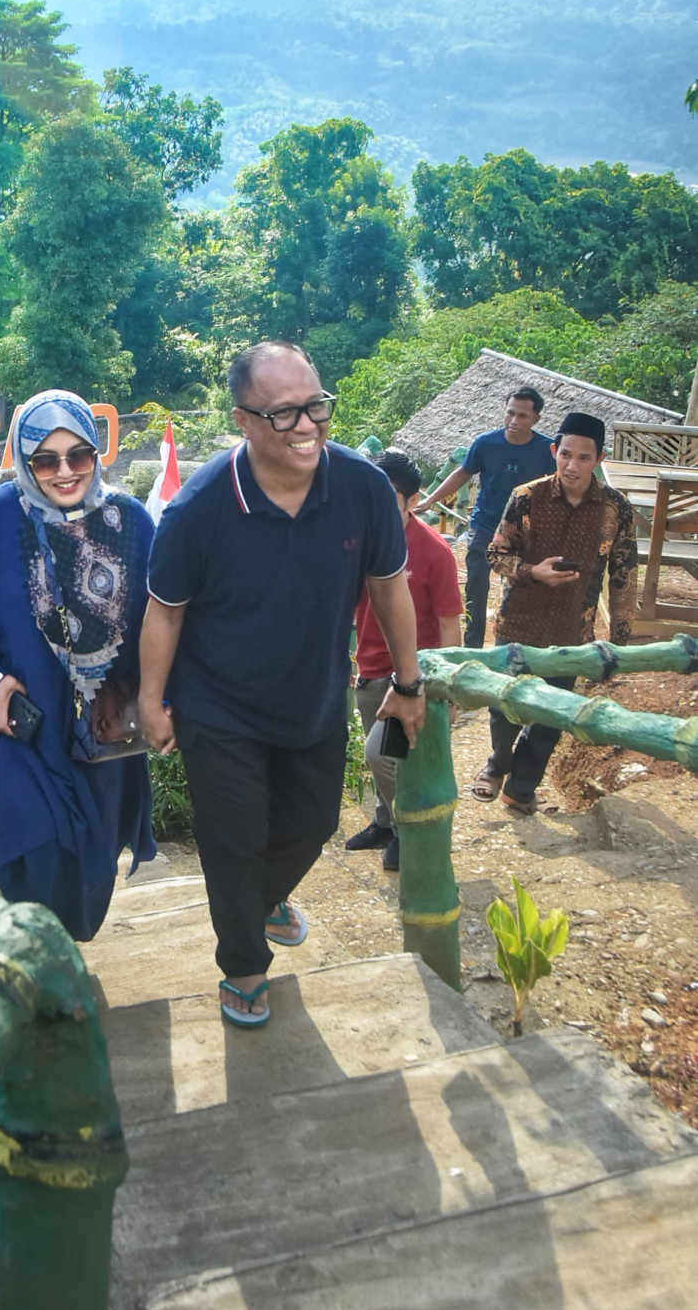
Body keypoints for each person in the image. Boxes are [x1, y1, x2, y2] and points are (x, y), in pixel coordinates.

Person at [139, 341, 426, 1030]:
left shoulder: (361, 489)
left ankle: (259, 900)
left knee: (315, 822)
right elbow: (164, 609)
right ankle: (242, 966)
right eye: (285, 413)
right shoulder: (200, 509)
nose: (307, 425)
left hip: (316, 697)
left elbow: (390, 586)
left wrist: (408, 682)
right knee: (233, 840)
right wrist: (152, 700)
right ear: (243, 420)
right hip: (219, 706)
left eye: (316, 406)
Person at [0, 389, 156, 940]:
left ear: (98, 454)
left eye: (80, 455)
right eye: (45, 459)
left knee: (90, 861)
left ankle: (58, 949)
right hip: (17, 724)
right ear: (23, 461)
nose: (65, 471)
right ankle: (26, 957)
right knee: (29, 848)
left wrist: (155, 693)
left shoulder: (131, 521)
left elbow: (165, 617)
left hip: (100, 732)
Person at [471, 411, 638, 816]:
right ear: (553, 451)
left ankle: (521, 788)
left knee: (553, 715)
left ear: (599, 458)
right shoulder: (526, 496)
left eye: (583, 457)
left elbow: (624, 573)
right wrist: (533, 572)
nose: (571, 465)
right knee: (504, 704)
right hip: (519, 623)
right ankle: (497, 764)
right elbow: (496, 553)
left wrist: (619, 639)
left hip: (572, 630)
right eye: (565, 455)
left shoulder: (616, 509)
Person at [346, 449, 465, 871]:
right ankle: (384, 821)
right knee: (383, 758)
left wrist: (450, 690)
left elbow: (450, 624)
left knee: (382, 754)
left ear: (413, 501)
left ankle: (408, 830)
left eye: (388, 497)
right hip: (370, 668)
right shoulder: (358, 539)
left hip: (412, 676)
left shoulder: (434, 552)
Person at [419, 387, 555, 648]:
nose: (514, 421)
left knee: (522, 586)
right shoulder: (486, 443)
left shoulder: (545, 450)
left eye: (523, 416)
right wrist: (430, 500)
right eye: (510, 413)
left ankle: (514, 645)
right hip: (485, 526)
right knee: (476, 587)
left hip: (525, 531)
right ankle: (472, 647)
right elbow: (463, 473)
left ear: (536, 419)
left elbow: (555, 488)